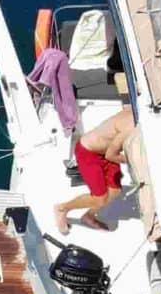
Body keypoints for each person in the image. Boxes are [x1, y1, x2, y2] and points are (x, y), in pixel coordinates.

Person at [53, 100, 135, 234]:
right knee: (100, 198)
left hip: (104, 151)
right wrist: (132, 161)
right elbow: (111, 155)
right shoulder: (130, 126)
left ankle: (88, 216)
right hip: (87, 152)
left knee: (115, 190)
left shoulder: (135, 113)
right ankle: (62, 208)